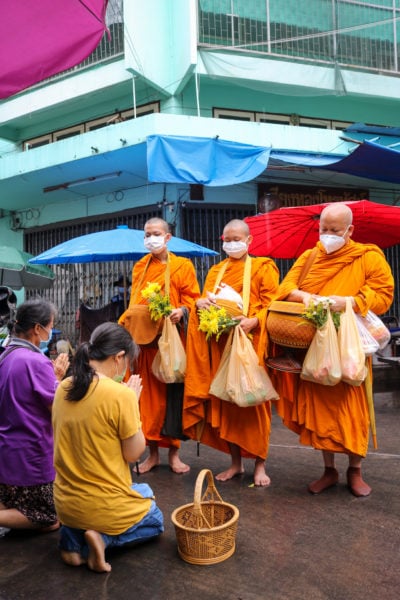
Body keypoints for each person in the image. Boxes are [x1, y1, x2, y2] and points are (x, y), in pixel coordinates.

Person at [271, 202, 394, 497]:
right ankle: (329, 469)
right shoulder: (310, 256)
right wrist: (305, 296)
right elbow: (285, 287)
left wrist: (348, 302)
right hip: (317, 347)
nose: (327, 234)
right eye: (323, 229)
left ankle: (355, 470)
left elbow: (383, 295)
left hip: (351, 347)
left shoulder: (367, 256)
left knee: (353, 409)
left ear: (350, 230)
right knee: (320, 408)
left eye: (335, 230)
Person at [52, 322, 164, 573]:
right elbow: (133, 454)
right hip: (102, 507)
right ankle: (102, 540)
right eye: (127, 361)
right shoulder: (119, 395)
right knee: (155, 517)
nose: (125, 368)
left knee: (142, 488)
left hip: (65, 504)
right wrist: (132, 404)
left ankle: (71, 542)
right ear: (119, 357)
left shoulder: (63, 388)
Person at [183, 219, 280, 486]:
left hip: (250, 342)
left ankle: (260, 465)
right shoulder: (216, 270)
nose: (231, 243)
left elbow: (272, 305)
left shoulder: (263, 268)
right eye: (226, 239)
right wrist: (200, 303)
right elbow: (206, 300)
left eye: (237, 239)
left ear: (249, 241)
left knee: (255, 404)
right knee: (227, 402)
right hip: (221, 343)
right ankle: (236, 463)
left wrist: (255, 320)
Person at [119, 217, 200, 474]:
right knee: (147, 403)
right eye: (147, 234)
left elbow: (193, 299)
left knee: (171, 398)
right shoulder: (140, 267)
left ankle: (174, 454)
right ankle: (152, 453)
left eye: (155, 233)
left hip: (170, 343)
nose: (150, 238)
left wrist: (181, 310)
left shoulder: (182, 266)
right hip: (144, 344)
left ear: (167, 237)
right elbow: (135, 302)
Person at [0, 299, 69, 537]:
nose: (51, 330)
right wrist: (58, 378)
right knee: (50, 518)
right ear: (37, 329)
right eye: (50, 325)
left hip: (8, 450)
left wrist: (53, 376)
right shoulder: (35, 360)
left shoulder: (6, 354)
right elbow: (56, 407)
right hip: (30, 454)